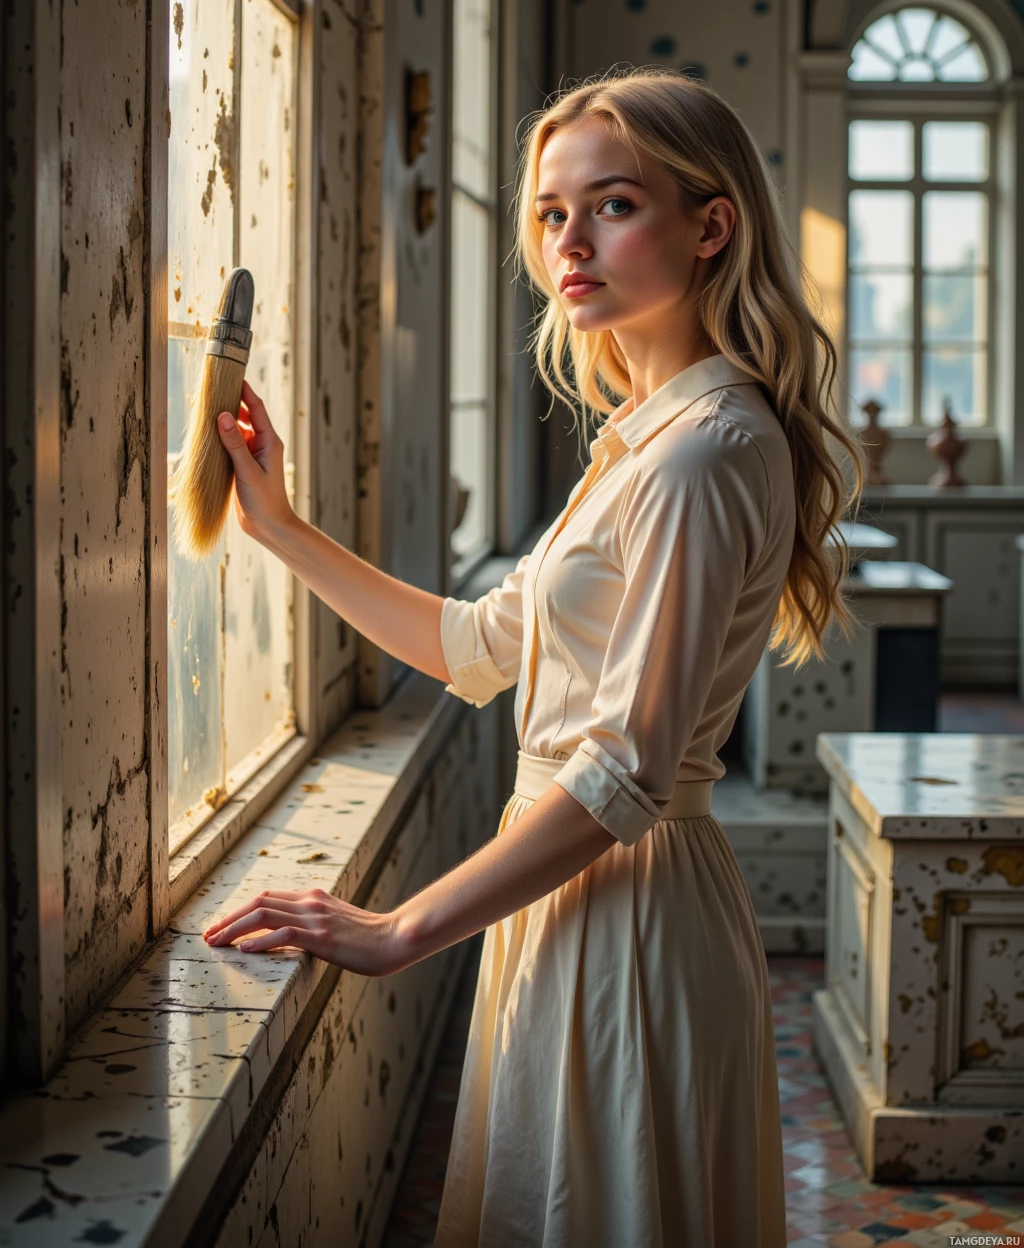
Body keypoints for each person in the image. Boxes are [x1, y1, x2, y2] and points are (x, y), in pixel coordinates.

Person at [203, 70, 864, 1246]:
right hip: (573, 897)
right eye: (552, 214)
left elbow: (621, 772)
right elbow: (478, 645)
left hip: (629, 910)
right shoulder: (644, 440)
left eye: (612, 205)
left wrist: (395, 931)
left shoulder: (700, 455)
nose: (570, 242)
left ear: (710, 225)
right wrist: (280, 531)